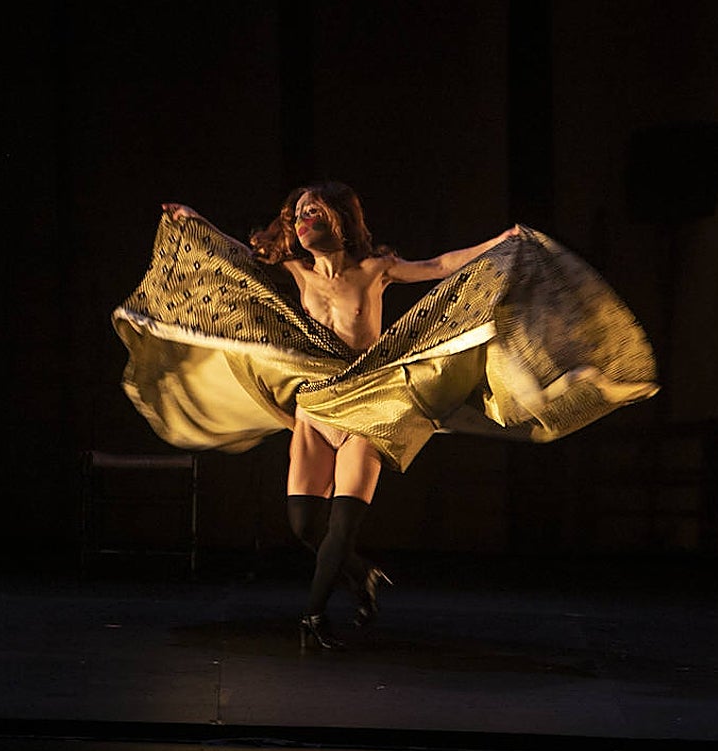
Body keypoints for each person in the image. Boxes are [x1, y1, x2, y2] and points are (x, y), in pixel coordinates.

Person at [113, 181, 659, 651]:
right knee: (305, 525)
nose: (302, 221)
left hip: (369, 408)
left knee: (342, 523)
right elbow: (238, 258)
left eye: (313, 211)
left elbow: (442, 266)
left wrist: (500, 242)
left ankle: (313, 616)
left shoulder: (376, 268)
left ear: (339, 218)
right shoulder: (300, 273)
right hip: (317, 405)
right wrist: (194, 221)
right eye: (297, 212)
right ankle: (360, 573)